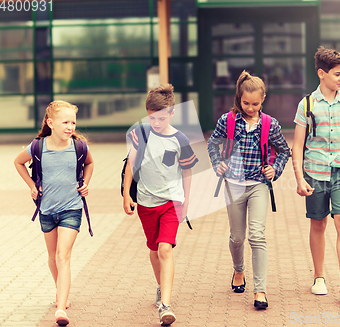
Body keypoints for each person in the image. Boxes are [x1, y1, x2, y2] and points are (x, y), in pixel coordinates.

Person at [292, 46, 340, 301]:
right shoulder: (307, 104)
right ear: (321, 73)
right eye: (337, 74)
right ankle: (319, 277)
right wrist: (299, 178)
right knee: (318, 223)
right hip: (314, 172)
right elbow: (298, 145)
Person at [207, 71, 290, 309]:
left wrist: (275, 168)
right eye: (245, 103)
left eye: (255, 103)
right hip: (233, 185)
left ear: (263, 99)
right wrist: (217, 163)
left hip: (258, 186)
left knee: (257, 235)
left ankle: (260, 290)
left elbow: (284, 151)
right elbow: (213, 143)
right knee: (237, 237)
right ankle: (238, 270)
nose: (250, 108)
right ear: (238, 98)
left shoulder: (270, 124)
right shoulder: (228, 120)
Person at [122, 84, 198, 325]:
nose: (156, 122)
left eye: (162, 118)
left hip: (171, 202)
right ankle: (160, 286)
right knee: (154, 250)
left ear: (172, 113)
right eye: (152, 117)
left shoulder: (180, 139)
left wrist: (185, 202)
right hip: (145, 202)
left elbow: (187, 172)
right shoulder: (140, 133)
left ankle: (165, 305)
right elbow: (131, 165)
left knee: (165, 249)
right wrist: (126, 194)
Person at [14, 101, 94, 326]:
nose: (70, 126)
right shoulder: (38, 147)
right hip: (47, 209)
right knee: (52, 256)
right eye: (65, 122)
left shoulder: (79, 146)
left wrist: (85, 184)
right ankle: (61, 291)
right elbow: (18, 162)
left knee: (63, 255)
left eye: (73, 122)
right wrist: (31, 185)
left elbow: (89, 164)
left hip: (72, 208)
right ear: (50, 123)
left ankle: (61, 308)